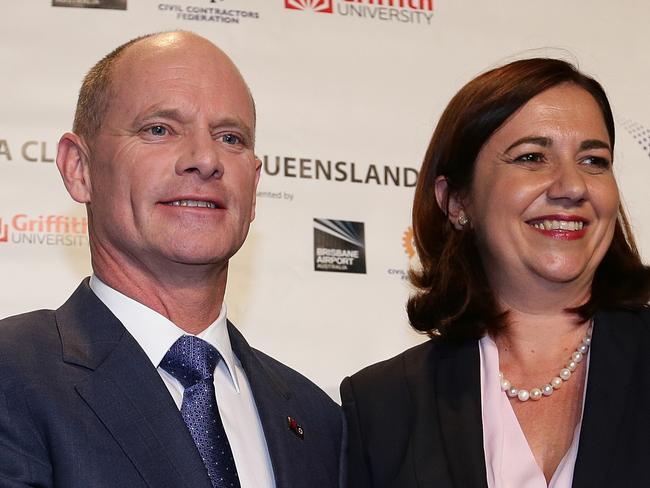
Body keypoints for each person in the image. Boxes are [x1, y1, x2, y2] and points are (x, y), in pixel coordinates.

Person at [0, 31, 345, 488]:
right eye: (159, 129)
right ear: (79, 169)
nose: (205, 159)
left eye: (230, 137)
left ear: (255, 184)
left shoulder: (320, 421)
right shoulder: (13, 375)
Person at [341, 58, 650, 488]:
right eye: (532, 157)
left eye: (594, 160)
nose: (572, 186)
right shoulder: (385, 403)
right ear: (456, 201)